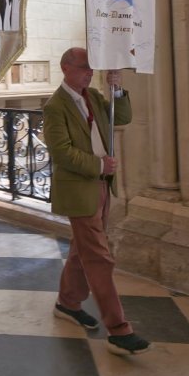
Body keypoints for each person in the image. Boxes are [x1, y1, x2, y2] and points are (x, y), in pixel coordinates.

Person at [42, 47, 149, 356]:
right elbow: (60, 152)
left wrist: (116, 90)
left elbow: (124, 118)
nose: (90, 72)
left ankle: (68, 302)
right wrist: (99, 165)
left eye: (92, 68)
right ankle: (119, 329)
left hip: (101, 187)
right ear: (66, 68)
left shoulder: (94, 98)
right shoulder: (55, 106)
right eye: (84, 67)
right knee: (99, 257)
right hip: (79, 188)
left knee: (82, 249)